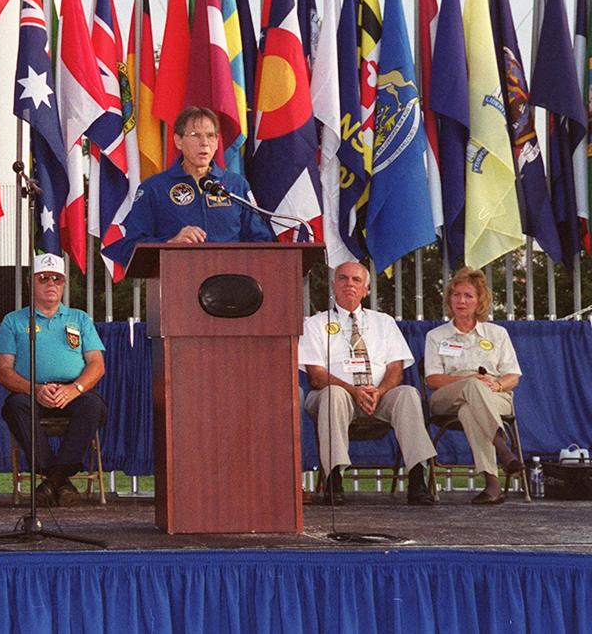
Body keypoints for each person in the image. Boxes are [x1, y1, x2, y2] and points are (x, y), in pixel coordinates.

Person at [299, 260, 437, 505]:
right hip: (335, 396)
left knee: (407, 394)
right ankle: (334, 481)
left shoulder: (383, 322)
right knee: (333, 395)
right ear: (333, 285)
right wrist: (354, 391)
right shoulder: (315, 324)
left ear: (366, 289)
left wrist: (379, 391)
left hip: (378, 395)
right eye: (343, 278)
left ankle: (417, 479)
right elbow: (316, 377)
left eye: (356, 280)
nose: (349, 284)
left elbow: (396, 368)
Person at [0, 253, 106, 506]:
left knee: (93, 405)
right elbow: (2, 370)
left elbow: (97, 365)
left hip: (73, 391)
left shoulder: (80, 318)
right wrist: (35, 389)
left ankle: (51, 481)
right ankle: (61, 481)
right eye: (43, 278)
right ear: (31, 283)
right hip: (30, 391)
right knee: (14, 406)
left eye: (57, 279)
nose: (51, 284)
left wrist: (74, 389)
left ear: (64, 284)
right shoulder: (13, 320)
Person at [106, 105, 274, 265]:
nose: (204, 143)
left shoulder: (236, 186)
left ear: (216, 142)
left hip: (233, 284)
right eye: (195, 135)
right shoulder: (154, 188)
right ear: (178, 141)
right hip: (178, 284)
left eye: (210, 136)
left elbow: (261, 240)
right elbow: (130, 249)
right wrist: (170, 242)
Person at [424, 268, 523, 504]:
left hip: (494, 394)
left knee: (470, 410)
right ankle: (503, 449)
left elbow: (513, 376)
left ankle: (492, 485)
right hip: (447, 396)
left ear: (479, 301)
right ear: (449, 299)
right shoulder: (436, 336)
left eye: (468, 295)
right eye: (456, 295)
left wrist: (497, 385)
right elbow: (432, 379)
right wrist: (467, 381)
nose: (461, 301)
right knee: (472, 387)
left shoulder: (497, 334)